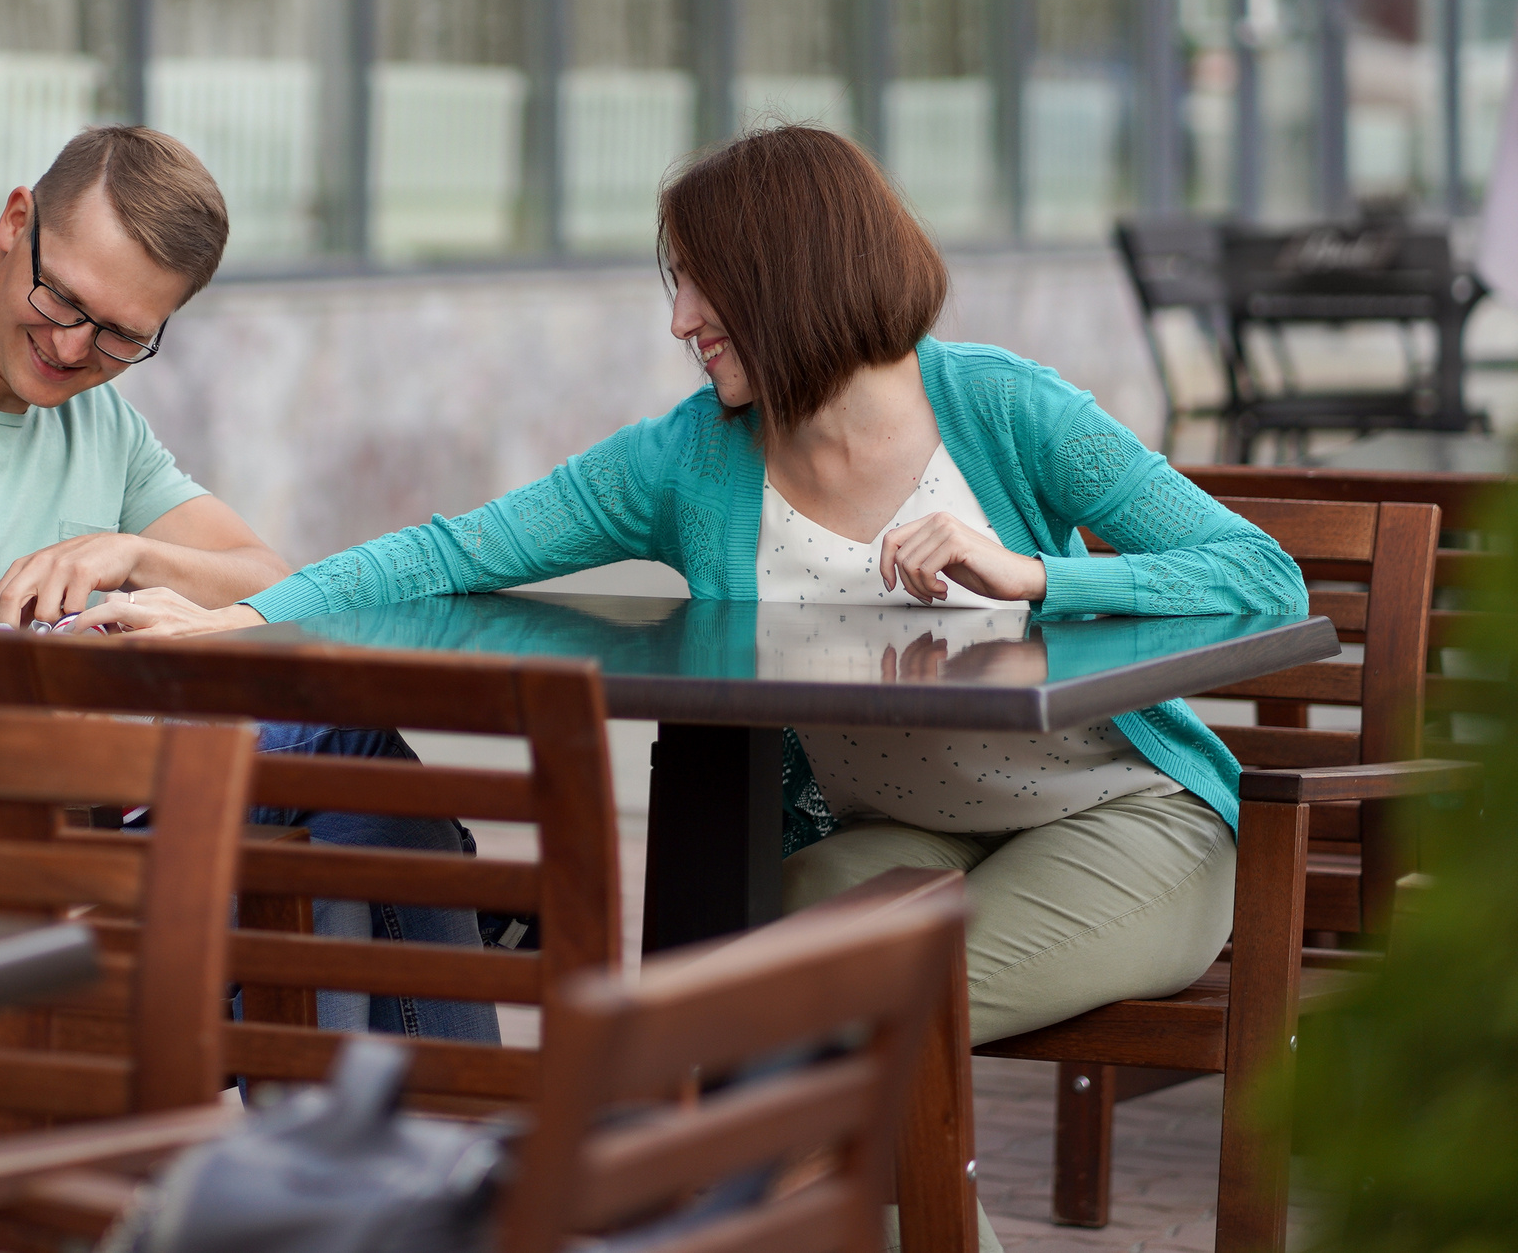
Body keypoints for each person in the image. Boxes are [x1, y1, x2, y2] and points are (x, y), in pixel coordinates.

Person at [83, 125, 1306, 1070]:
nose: (678, 321)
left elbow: (1259, 576)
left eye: (698, 285)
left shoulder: (1001, 406)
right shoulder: (692, 456)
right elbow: (454, 549)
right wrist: (236, 620)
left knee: (843, 1015)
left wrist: (1040, 575)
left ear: (787, 274)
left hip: (1124, 824)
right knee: (716, 983)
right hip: (905, 834)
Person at [0, 125, 497, 1041]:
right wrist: (49, 780)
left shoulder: (97, 422)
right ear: (13, 222)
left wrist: (136, 553)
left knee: (334, 835)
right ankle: (420, 1112)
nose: (74, 349)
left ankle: (381, 1137)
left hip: (81, 829)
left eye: (121, 334)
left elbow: (268, 584)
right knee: (338, 825)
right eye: (61, 299)